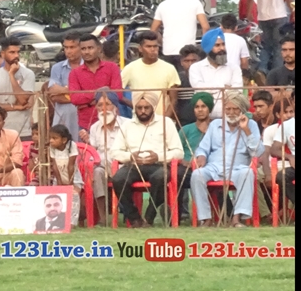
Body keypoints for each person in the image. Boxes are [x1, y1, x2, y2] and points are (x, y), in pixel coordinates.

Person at [111, 91, 184, 227]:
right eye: (139, 108)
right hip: (134, 165)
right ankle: (135, 219)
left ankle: (149, 217)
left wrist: (158, 156)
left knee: (161, 177)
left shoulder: (166, 123)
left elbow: (179, 152)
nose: (143, 111)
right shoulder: (127, 125)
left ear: (153, 107)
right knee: (118, 179)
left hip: (158, 165)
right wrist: (130, 156)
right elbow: (114, 152)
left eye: (146, 107)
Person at [189, 92, 262, 227]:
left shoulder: (251, 125)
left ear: (242, 110)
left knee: (247, 173)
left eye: (235, 109)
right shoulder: (215, 124)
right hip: (214, 167)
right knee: (197, 175)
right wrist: (201, 156)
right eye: (228, 109)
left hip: (238, 168)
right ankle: (206, 218)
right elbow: (203, 147)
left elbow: (257, 152)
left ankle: (236, 218)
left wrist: (246, 130)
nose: (231, 113)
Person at [69, 33, 124, 131]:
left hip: (111, 122)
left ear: (99, 49)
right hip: (86, 125)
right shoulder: (75, 73)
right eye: (83, 49)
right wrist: (98, 94)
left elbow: (117, 94)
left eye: (90, 48)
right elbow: (74, 98)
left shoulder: (112, 68)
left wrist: (88, 102)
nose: (86, 52)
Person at [0, 37, 36, 140]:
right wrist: (16, 107)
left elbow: (23, 100)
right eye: (12, 52)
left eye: (18, 52)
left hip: (22, 130)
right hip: (0, 130)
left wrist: (11, 75)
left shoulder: (28, 74)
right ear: (3, 54)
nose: (16, 55)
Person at [151, 0, 210, 66]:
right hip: (188, 53)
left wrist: (162, 42)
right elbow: (205, 27)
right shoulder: (195, 3)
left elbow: (153, 30)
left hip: (168, 51)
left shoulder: (163, 5)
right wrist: (204, 48)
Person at [121, 32, 180, 117]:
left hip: (162, 119)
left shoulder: (169, 68)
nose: (153, 49)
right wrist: (135, 106)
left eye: (155, 46)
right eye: (148, 46)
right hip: (139, 120)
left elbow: (173, 99)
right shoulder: (130, 68)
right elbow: (116, 92)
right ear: (140, 48)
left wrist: (165, 119)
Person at [86, 91, 126, 216]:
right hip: (103, 166)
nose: (103, 108)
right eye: (99, 105)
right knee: (96, 172)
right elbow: (93, 152)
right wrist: (88, 142)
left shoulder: (127, 125)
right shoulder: (95, 127)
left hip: (123, 165)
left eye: (107, 104)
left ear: (115, 107)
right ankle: (103, 215)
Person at [189, 29, 241, 116]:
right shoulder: (196, 68)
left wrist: (210, 91)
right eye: (217, 45)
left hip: (229, 117)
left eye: (223, 44)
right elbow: (199, 90)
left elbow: (237, 91)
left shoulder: (234, 68)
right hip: (206, 118)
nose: (222, 48)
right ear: (208, 49)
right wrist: (224, 88)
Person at [46, 32, 82, 141]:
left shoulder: (88, 66)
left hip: (83, 119)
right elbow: (54, 95)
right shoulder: (57, 68)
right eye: (66, 47)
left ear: (80, 47)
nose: (68, 51)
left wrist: (64, 90)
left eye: (72, 47)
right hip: (63, 120)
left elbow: (92, 94)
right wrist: (82, 96)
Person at [42, 124, 83, 217]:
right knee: (55, 196)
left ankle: (72, 220)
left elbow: (71, 166)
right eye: (50, 138)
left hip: (73, 177)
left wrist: (70, 184)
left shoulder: (72, 145)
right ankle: (60, 218)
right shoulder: (52, 147)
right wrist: (59, 182)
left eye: (54, 138)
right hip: (59, 177)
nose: (51, 140)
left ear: (64, 140)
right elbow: (55, 166)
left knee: (74, 196)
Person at [173, 45, 204, 127]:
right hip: (182, 122)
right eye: (186, 61)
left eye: (193, 60)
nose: (190, 64)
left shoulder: (205, 78)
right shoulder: (177, 78)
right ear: (181, 62)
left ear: (199, 60)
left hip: (204, 121)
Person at [179, 93, 216, 162]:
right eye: (197, 107)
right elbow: (178, 152)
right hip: (188, 166)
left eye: (203, 106)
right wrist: (185, 162)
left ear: (210, 109)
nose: (200, 110)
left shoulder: (217, 128)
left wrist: (206, 132)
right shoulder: (185, 130)